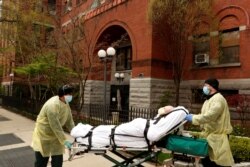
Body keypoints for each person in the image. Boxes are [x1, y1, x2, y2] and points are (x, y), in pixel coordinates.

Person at [185, 78, 234, 167]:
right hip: (210, 136)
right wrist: (193, 116)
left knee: (218, 163)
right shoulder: (208, 100)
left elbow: (210, 116)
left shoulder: (218, 99)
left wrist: (193, 118)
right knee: (208, 161)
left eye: (205, 85)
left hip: (217, 137)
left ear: (211, 86)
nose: (204, 88)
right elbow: (204, 115)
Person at [31, 84, 75, 167]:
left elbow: (69, 120)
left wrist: (75, 132)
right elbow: (55, 125)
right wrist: (64, 140)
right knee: (41, 162)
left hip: (56, 136)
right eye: (69, 94)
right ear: (62, 95)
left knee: (58, 162)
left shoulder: (65, 103)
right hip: (44, 135)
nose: (71, 96)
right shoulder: (53, 105)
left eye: (71, 94)